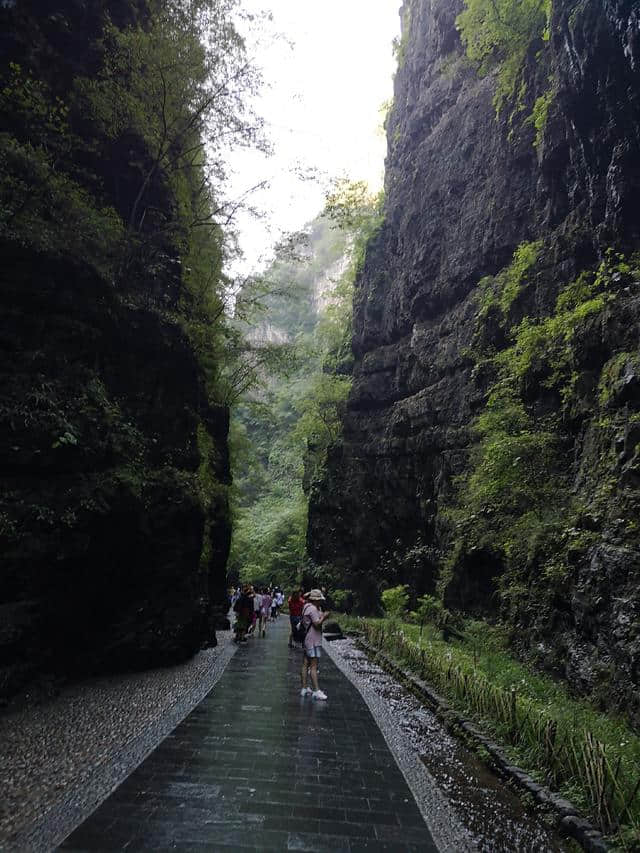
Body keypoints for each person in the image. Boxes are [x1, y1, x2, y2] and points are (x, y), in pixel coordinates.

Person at [300, 589, 330, 700]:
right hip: (313, 639)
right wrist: (324, 617)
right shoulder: (312, 609)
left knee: (305, 663)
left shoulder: (306, 606)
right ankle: (316, 690)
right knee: (313, 666)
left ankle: (304, 688)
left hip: (307, 639)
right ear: (316, 600)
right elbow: (317, 624)